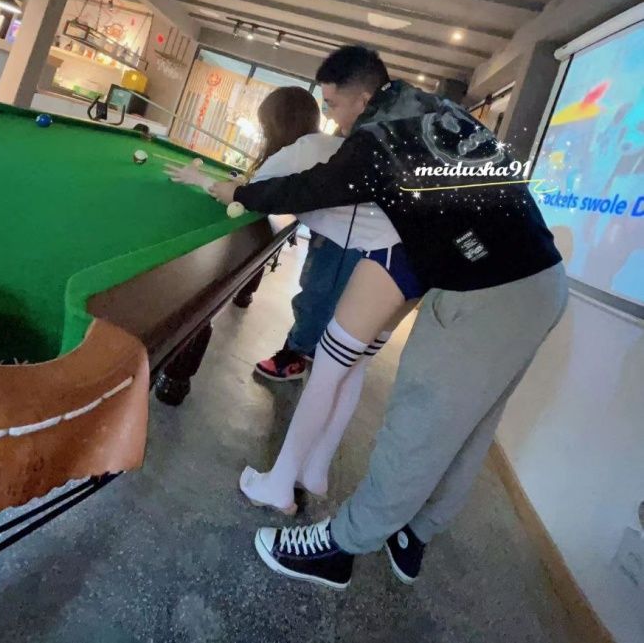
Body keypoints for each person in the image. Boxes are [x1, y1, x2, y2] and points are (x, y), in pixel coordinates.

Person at [208, 46, 568, 590]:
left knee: (416, 425)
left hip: (486, 291)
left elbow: (313, 186)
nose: (334, 121)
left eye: (334, 105)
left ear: (362, 95)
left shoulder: (379, 137)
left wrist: (239, 191)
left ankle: (341, 547)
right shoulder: (436, 108)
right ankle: (413, 531)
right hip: (542, 281)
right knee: (470, 428)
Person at [168, 83, 423, 510]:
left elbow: (243, 196)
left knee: (327, 370)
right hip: (414, 265)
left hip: (384, 262)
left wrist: (202, 179)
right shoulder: (333, 145)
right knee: (353, 368)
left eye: (334, 103)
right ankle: (315, 470)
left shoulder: (299, 150)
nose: (334, 113)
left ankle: (281, 485)